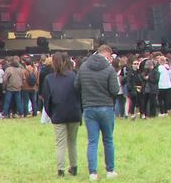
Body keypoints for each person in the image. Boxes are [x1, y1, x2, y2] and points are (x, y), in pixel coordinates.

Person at [74, 45, 120, 181]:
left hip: (89, 108)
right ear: (107, 55)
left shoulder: (83, 67)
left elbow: (76, 86)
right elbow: (115, 90)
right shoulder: (109, 69)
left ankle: (92, 173)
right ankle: (110, 170)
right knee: (108, 140)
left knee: (92, 142)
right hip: (106, 107)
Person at [43, 52, 82, 177]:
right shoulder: (73, 76)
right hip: (74, 113)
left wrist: (51, 114)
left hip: (58, 114)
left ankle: (61, 170)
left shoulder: (49, 79)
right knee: (73, 142)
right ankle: (74, 167)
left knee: (60, 143)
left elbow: (46, 99)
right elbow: (79, 94)